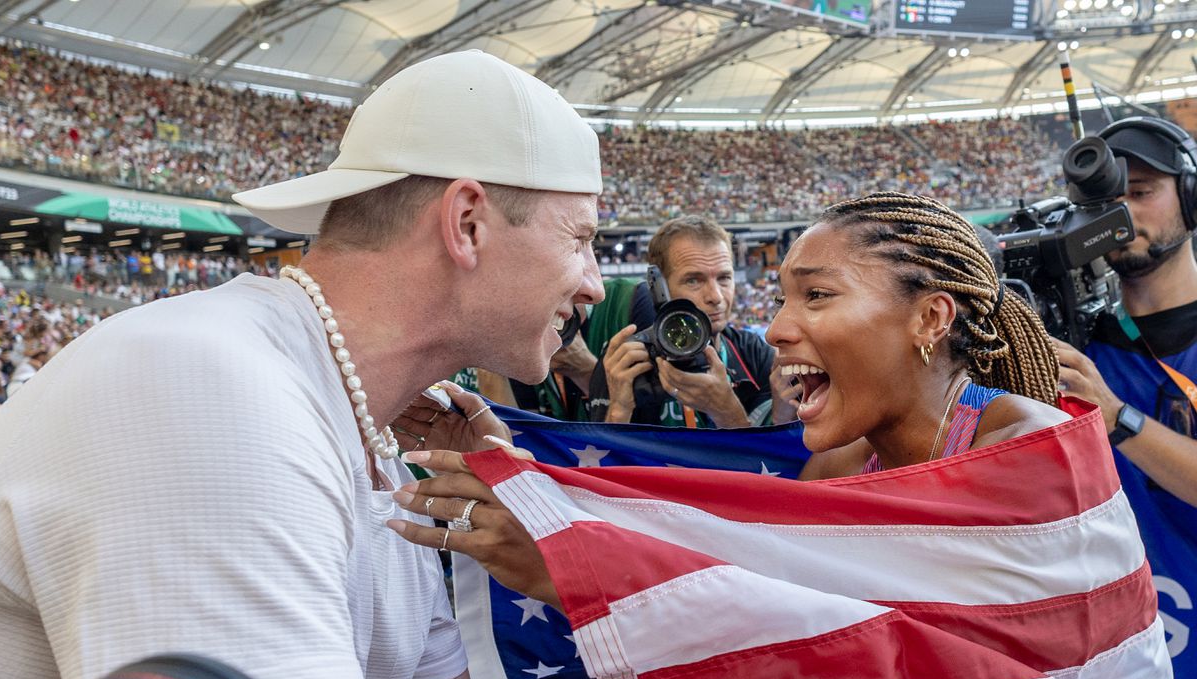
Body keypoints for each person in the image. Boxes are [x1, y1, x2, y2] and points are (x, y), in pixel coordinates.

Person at [0, 50, 614, 679]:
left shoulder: (375, 443)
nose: (593, 282)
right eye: (579, 238)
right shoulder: (208, 391)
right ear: (468, 223)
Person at [390, 191, 1070, 604]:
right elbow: (764, 601)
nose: (773, 328)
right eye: (780, 299)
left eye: (818, 296)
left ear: (930, 320)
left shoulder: (1026, 447)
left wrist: (566, 567)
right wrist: (522, 485)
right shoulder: (835, 470)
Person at [1051, 116, 1197, 679]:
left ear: (1191, 199)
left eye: (1140, 193)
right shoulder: (1076, 350)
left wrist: (1117, 418)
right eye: (1107, 201)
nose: (1121, 215)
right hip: (1128, 671)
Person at [587, 215, 781, 427]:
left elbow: (769, 459)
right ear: (660, 290)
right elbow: (604, 458)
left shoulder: (753, 352)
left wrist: (727, 413)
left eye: (724, 278)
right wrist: (619, 411)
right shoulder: (626, 361)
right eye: (693, 280)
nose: (715, 296)